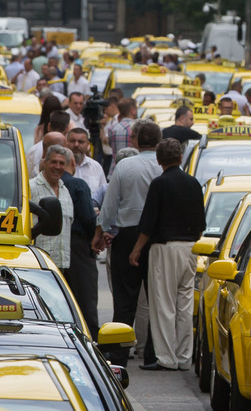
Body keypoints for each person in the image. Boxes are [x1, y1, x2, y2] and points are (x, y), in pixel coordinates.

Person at [129, 138, 205, 371]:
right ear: (181, 158)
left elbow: (148, 223)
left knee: (163, 304)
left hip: (165, 248)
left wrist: (137, 248)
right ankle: (184, 357)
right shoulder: (194, 183)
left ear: (159, 160)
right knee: (184, 304)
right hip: (190, 248)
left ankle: (166, 358)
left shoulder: (160, 184)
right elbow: (201, 222)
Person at [92, 120, 163, 367]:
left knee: (124, 300)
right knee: (156, 298)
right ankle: (154, 353)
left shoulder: (124, 166)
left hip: (128, 235)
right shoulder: (165, 166)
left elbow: (110, 205)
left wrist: (100, 232)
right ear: (159, 141)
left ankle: (119, 354)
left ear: (134, 140)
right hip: (157, 238)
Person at [59, 142, 99, 337]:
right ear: (73, 163)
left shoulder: (47, 183)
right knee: (85, 297)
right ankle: (90, 338)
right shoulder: (78, 185)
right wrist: (95, 239)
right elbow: (88, 217)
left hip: (55, 245)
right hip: (78, 246)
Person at [29, 144, 74, 270]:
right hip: (37, 263)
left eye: (61, 163)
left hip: (61, 265)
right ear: (44, 162)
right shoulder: (30, 188)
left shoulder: (65, 191)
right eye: (54, 162)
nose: (58, 167)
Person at [27, 110, 71, 178]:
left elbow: (27, 174)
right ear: (67, 129)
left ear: (49, 126)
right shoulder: (70, 151)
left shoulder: (33, 150)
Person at [67, 127, 107, 194]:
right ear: (66, 143)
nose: (76, 145)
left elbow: (103, 193)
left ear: (88, 145)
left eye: (80, 142)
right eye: (73, 141)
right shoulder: (60, 166)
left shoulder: (96, 167)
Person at [107, 97, 138, 176]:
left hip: (115, 171)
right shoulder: (138, 128)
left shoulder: (112, 129)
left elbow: (110, 145)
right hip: (134, 170)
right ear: (133, 111)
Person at [100, 96, 119, 175]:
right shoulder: (110, 121)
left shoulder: (117, 120)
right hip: (107, 156)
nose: (105, 112)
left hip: (112, 155)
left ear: (113, 107)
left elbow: (106, 140)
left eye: (106, 109)